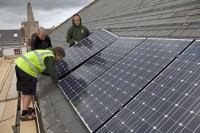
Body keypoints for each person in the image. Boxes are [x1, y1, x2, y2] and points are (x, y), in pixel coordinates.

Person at [15, 47, 65, 121]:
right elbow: (52, 71)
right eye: (60, 58)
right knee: (29, 93)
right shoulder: (51, 57)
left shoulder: (46, 52)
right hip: (27, 70)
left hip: (20, 64)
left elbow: (42, 70)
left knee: (24, 90)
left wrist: (50, 74)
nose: (59, 60)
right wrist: (57, 80)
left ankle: (25, 108)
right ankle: (24, 115)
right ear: (57, 54)